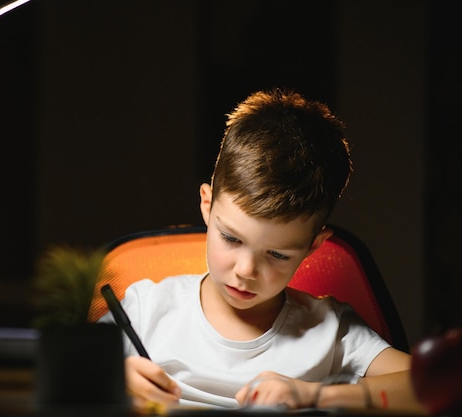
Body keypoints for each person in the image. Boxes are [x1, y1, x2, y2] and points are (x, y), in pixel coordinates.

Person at [99, 88, 425, 413]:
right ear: (207, 205)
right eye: (231, 239)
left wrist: (316, 394)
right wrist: (110, 378)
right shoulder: (145, 311)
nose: (246, 270)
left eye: (277, 255)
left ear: (313, 247)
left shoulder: (330, 331)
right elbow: (54, 374)